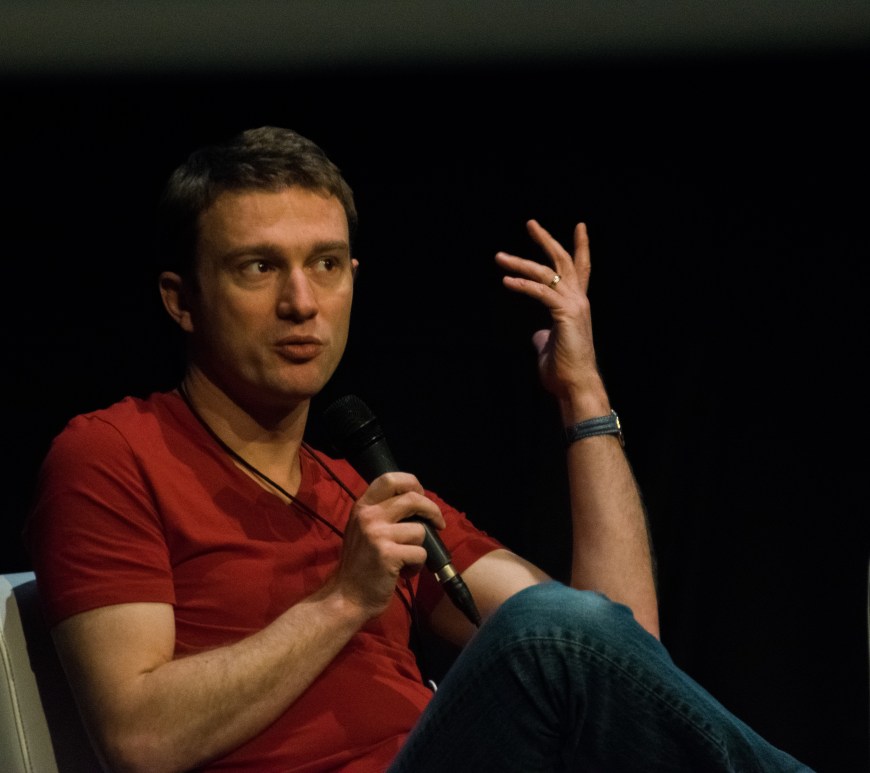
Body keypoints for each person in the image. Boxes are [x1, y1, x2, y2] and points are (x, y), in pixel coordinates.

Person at [23, 126, 813, 773]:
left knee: (556, 631)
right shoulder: (112, 452)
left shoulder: (360, 491)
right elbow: (138, 738)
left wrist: (585, 398)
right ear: (181, 299)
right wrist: (343, 599)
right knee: (540, 629)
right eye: (258, 267)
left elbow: (622, 653)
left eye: (325, 265)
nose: (301, 302)